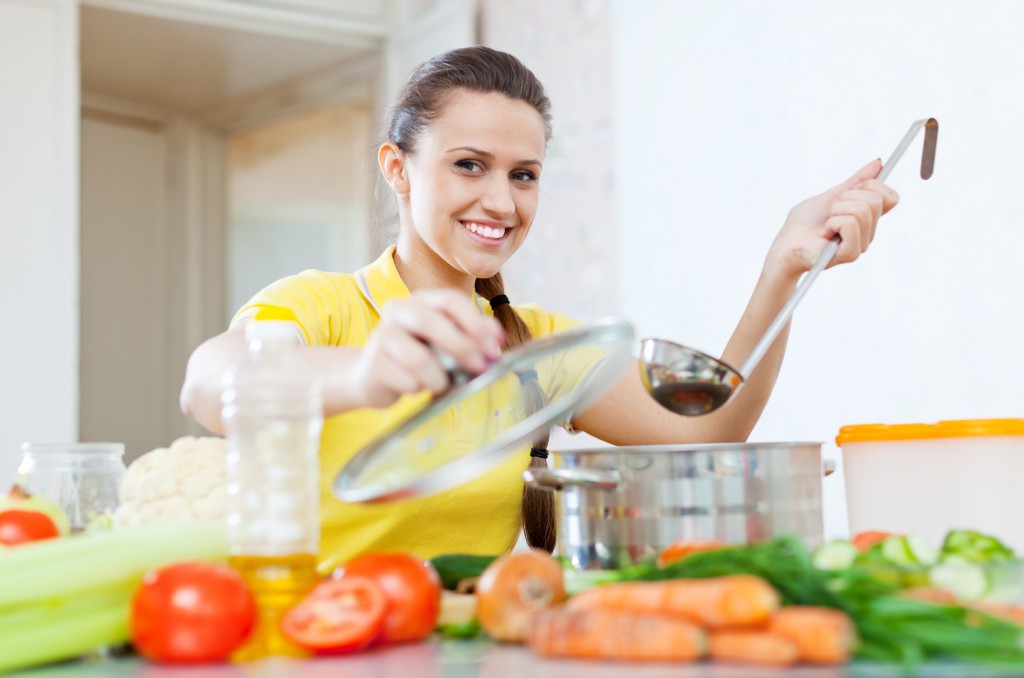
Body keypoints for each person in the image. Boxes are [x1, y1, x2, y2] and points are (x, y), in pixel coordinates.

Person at [180, 46, 898, 569]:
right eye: (469, 165)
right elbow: (211, 385)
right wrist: (367, 373)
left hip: (465, 648)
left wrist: (784, 270)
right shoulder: (325, 305)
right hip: (315, 644)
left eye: (523, 175)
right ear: (397, 168)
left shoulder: (540, 350)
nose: (501, 201)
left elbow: (708, 427)